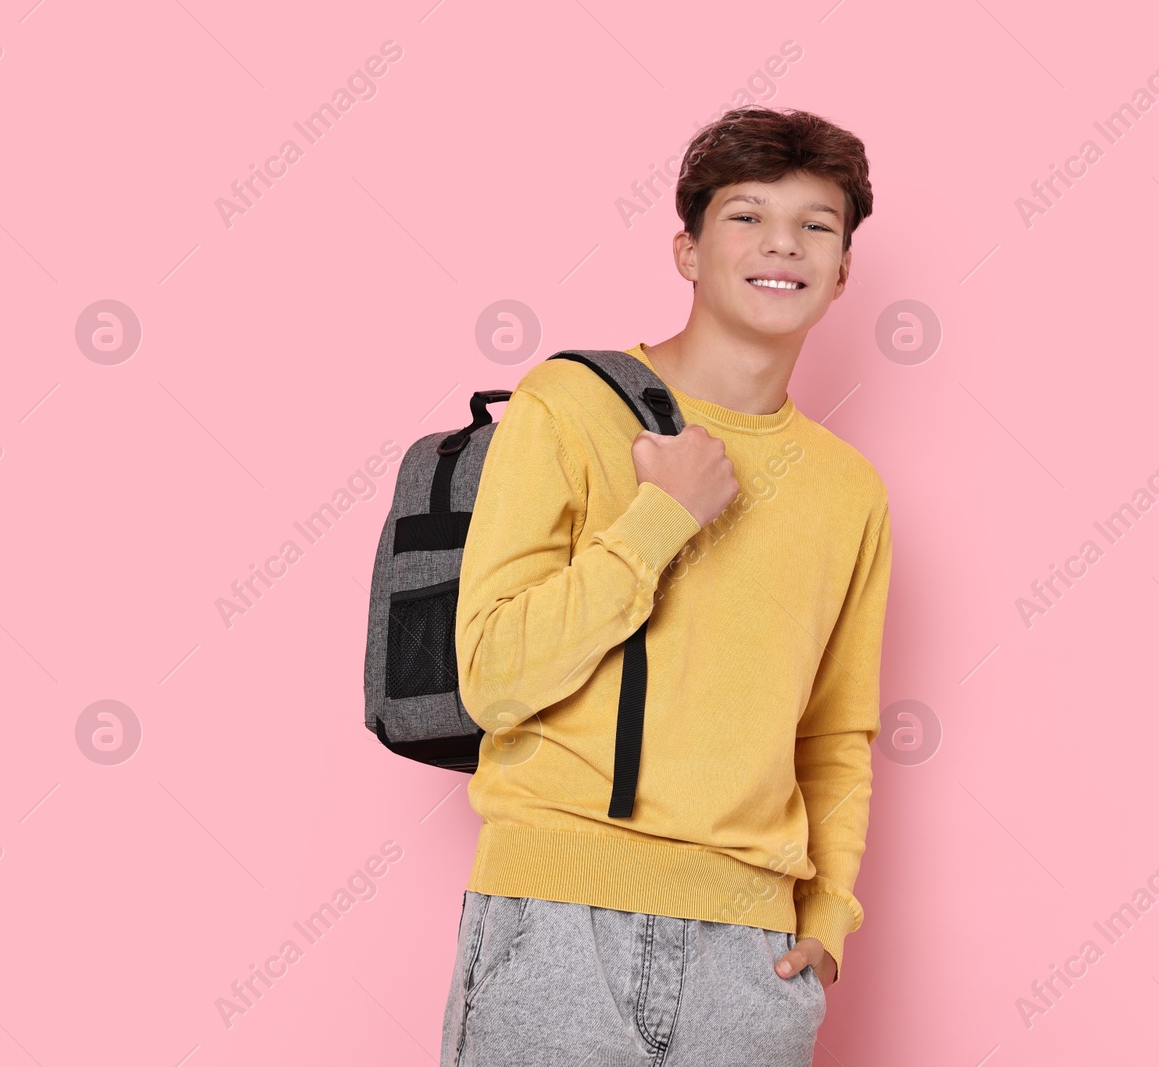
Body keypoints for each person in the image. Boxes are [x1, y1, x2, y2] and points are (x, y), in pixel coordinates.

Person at [441, 104, 893, 1066]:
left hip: (754, 958)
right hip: (559, 924)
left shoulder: (850, 491)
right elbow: (491, 674)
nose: (783, 244)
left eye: (816, 224)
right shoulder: (567, 406)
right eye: (747, 216)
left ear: (844, 269)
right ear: (686, 251)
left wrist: (828, 916)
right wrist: (659, 520)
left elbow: (837, 731)